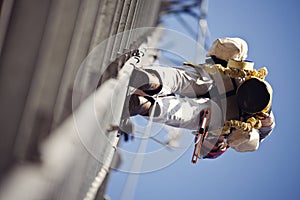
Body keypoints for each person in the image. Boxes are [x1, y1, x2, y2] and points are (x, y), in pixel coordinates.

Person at [126, 37, 275, 159]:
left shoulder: (248, 130)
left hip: (226, 83)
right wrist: (265, 122)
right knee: (185, 112)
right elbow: (265, 128)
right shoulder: (252, 130)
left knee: (184, 80)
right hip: (229, 96)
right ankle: (145, 104)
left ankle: (152, 81)